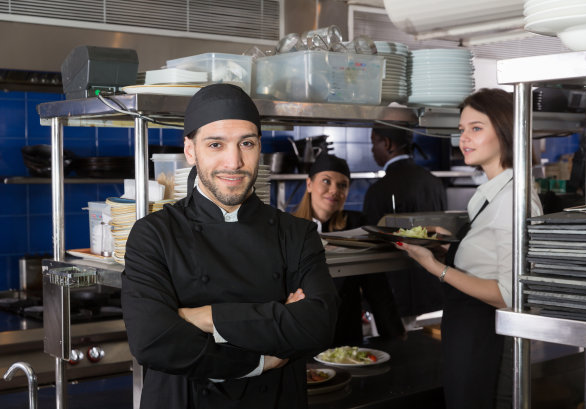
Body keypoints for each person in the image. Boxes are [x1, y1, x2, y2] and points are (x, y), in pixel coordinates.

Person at [121, 84, 339, 409]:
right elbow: (153, 341)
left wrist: (208, 318)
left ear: (258, 148)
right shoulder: (153, 235)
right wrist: (260, 360)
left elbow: (317, 326)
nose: (234, 161)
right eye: (216, 144)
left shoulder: (296, 233)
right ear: (190, 151)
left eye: (246, 143)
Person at [394, 88, 543, 409]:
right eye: (462, 130)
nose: (464, 138)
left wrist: (435, 266)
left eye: (476, 128)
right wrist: (451, 245)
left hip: (489, 342)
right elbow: (490, 259)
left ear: (506, 130)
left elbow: (509, 293)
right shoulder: (493, 192)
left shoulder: (514, 200)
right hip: (470, 335)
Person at [292, 153, 404, 346]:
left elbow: (377, 286)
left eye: (342, 185)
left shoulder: (357, 226)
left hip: (346, 333)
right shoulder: (288, 229)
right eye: (326, 181)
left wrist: (395, 335)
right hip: (301, 334)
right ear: (309, 184)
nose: (334, 190)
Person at [363, 126, 447, 320]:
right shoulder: (435, 183)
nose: (372, 149)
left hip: (397, 299)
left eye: (374, 142)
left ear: (387, 143)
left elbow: (371, 249)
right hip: (436, 291)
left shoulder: (378, 190)